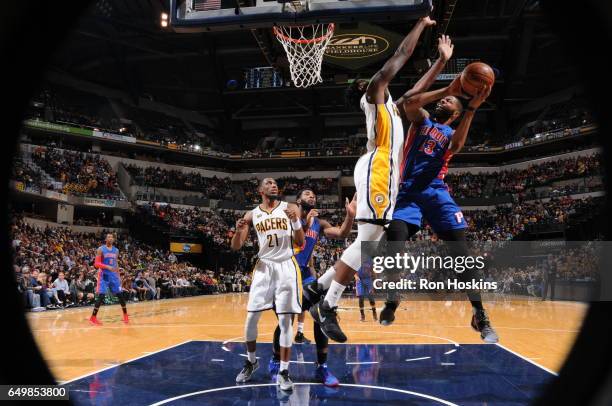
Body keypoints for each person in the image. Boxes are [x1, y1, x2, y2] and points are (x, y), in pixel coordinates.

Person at [308, 16, 437, 343]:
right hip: (378, 167)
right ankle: (327, 304)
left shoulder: (393, 106)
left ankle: (316, 289)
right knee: (367, 244)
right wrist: (421, 25)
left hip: (386, 173)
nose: (386, 79)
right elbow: (401, 55)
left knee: (370, 244)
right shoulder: (374, 94)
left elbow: (417, 91)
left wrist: (442, 61)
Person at [378, 62, 498, 342]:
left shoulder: (450, 133)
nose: (443, 101)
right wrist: (448, 88)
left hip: (436, 193)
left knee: (463, 255)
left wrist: (471, 108)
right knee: (393, 242)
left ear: (456, 113)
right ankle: (392, 298)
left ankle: (480, 315)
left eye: (449, 101)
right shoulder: (421, 122)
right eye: (443, 99)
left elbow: (456, 146)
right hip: (407, 194)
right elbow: (409, 102)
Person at [269, 189, 356, 387]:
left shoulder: (319, 223)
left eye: (313, 195)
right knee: (286, 321)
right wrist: (305, 220)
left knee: (321, 315)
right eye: (307, 194)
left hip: (307, 276)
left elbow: (342, 233)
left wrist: (350, 216)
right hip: (286, 273)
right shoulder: (288, 213)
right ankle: (275, 362)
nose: (311, 196)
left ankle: (322, 367)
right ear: (298, 200)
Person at [230, 178, 305, 392]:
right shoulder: (251, 214)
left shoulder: (290, 208)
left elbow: (301, 242)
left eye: (275, 184)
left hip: (286, 266)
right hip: (264, 267)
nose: (274, 186)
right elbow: (236, 246)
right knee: (251, 317)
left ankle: (283, 371)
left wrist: (296, 222)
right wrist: (237, 230)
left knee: (285, 321)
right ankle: (252, 361)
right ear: (260, 190)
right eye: (269, 183)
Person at [89, 233, 129, 326]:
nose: (110, 238)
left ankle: (125, 315)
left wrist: (118, 276)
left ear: (113, 240)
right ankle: (93, 317)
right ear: (106, 239)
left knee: (120, 295)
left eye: (112, 237)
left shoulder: (116, 250)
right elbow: (96, 264)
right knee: (101, 296)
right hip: (104, 275)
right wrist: (107, 267)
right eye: (108, 237)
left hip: (114, 276)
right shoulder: (101, 249)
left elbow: (116, 264)